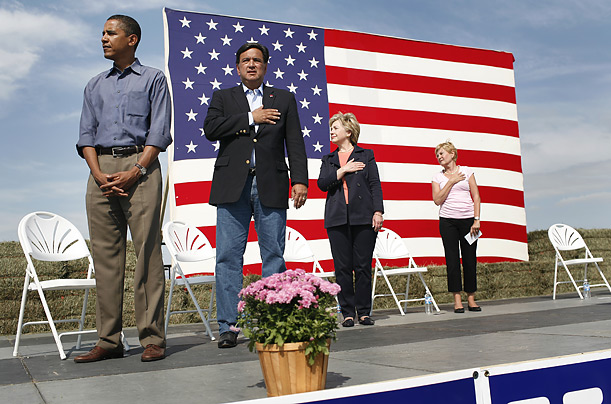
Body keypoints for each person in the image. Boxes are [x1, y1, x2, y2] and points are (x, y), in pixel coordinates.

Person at [74, 15, 171, 363]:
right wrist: (98, 174)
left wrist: (138, 170)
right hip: (100, 171)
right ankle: (109, 340)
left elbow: (159, 131)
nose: (103, 38)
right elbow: (85, 135)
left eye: (110, 33)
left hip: (141, 168)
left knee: (147, 253)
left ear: (131, 39)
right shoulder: (93, 85)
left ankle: (152, 338)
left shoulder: (153, 79)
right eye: (102, 33)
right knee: (105, 258)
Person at [203, 43, 309, 348]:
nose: (252, 64)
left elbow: (295, 142)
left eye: (257, 60)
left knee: (274, 255)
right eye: (246, 61)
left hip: (272, 184)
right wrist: (252, 117)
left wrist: (299, 181)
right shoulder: (224, 97)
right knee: (227, 258)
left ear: (266, 66)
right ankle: (228, 325)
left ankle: (272, 321)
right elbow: (211, 129)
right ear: (237, 67)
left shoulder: (284, 98)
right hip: (231, 186)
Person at [317, 112, 384, 327]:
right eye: (331, 128)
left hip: (363, 217)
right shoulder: (328, 159)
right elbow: (322, 183)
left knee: (363, 266)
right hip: (337, 217)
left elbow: (375, 185)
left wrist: (378, 212)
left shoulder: (366, 155)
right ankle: (347, 312)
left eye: (335, 128)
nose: (332, 131)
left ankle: (364, 311)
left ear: (349, 131)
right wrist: (343, 170)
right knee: (342, 267)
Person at [431, 141, 482, 313]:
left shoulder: (467, 171)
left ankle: (471, 299)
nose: (439, 157)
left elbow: (476, 197)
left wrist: (477, 220)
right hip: (448, 222)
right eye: (437, 155)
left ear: (452, 153)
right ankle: (457, 300)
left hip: (468, 221)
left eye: (442, 153)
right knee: (452, 260)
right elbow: (437, 200)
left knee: (470, 259)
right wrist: (451, 181)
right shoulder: (437, 177)